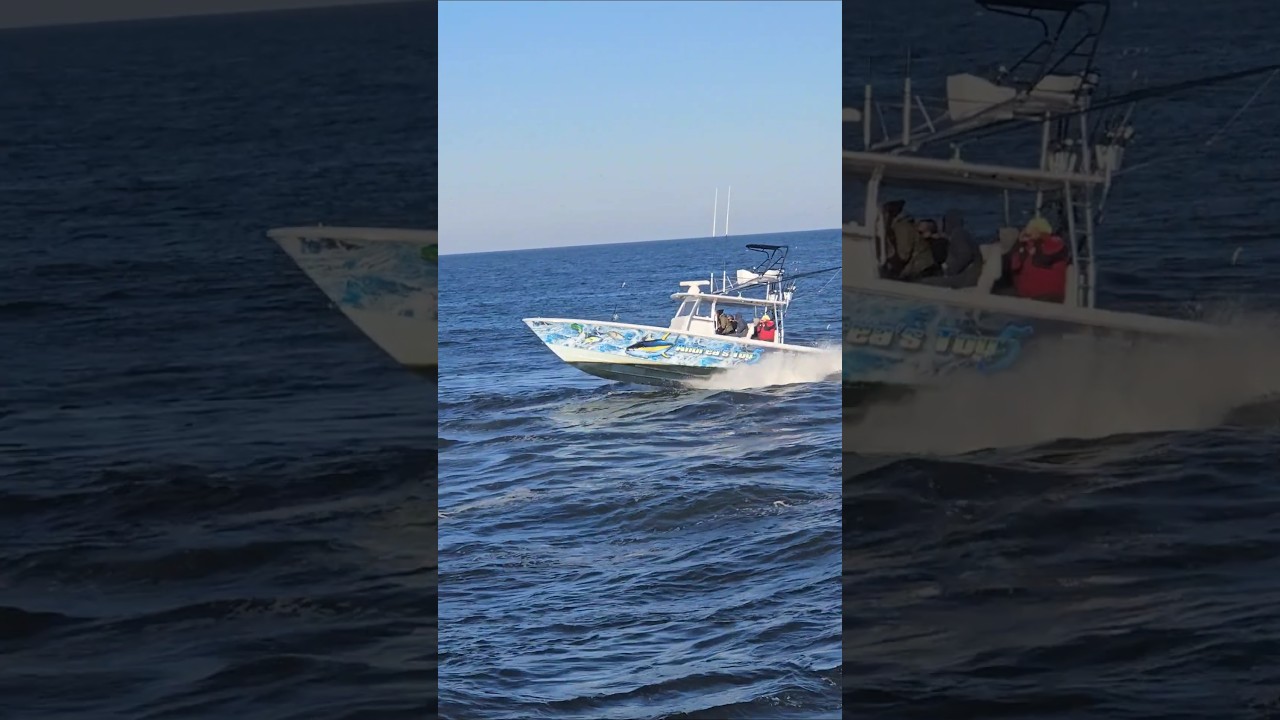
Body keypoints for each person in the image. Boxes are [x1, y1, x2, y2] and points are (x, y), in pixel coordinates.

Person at [1008, 216, 1070, 303]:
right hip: (1028, 297)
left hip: (1046, 297)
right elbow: (1015, 266)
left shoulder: (1053, 244)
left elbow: (1041, 260)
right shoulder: (1026, 247)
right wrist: (1019, 244)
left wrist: (1032, 244)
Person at [921, 208, 983, 289]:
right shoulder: (961, 234)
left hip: (965, 278)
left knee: (924, 282)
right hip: (966, 276)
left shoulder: (958, 234)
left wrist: (949, 271)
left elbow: (965, 255)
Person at [880, 200, 939, 281]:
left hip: (922, 271)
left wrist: (888, 251)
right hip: (917, 270)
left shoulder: (902, 227)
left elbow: (903, 256)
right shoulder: (898, 227)